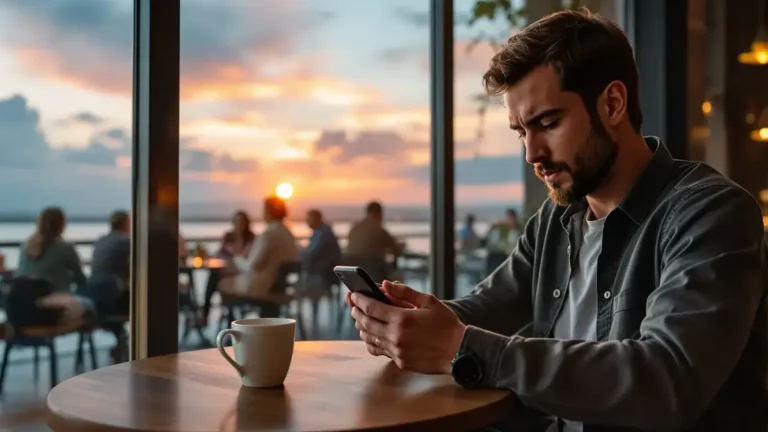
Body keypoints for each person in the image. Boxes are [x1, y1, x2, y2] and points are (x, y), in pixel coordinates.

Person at [346, 10, 767, 432]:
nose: (532, 153)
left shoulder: (710, 214)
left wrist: (456, 346)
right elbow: (488, 309)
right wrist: (407, 322)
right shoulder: (558, 217)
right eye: (520, 132)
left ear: (613, 104)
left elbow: (666, 379)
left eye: (547, 123)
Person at [14, 207, 93, 325]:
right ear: (62, 225)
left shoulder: (26, 247)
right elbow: (81, 280)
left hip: (21, 308)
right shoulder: (65, 248)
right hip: (51, 308)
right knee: (90, 306)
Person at [226, 197, 299, 317]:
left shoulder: (268, 235)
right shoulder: (289, 234)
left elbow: (252, 265)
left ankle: (231, 328)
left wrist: (236, 259)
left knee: (223, 284)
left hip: (262, 289)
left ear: (268, 212)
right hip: (281, 289)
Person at [201, 210, 256, 324]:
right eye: (237, 221)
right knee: (214, 276)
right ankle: (214, 313)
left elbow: (248, 258)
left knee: (215, 277)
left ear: (246, 223)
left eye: (241, 222)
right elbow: (220, 253)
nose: (239, 224)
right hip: (226, 270)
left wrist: (235, 253)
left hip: (241, 272)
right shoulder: (228, 236)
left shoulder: (251, 238)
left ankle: (207, 313)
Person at [346, 201, 402, 281]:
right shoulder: (379, 230)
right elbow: (396, 250)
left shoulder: (354, 228)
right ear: (379, 214)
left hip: (354, 275)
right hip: (375, 274)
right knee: (397, 280)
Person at [301, 209, 342, 295]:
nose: (307, 222)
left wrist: (300, 253)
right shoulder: (324, 231)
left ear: (316, 219)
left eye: (309, 219)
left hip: (324, 274)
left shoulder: (322, 233)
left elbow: (312, 253)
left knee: (300, 283)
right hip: (328, 272)